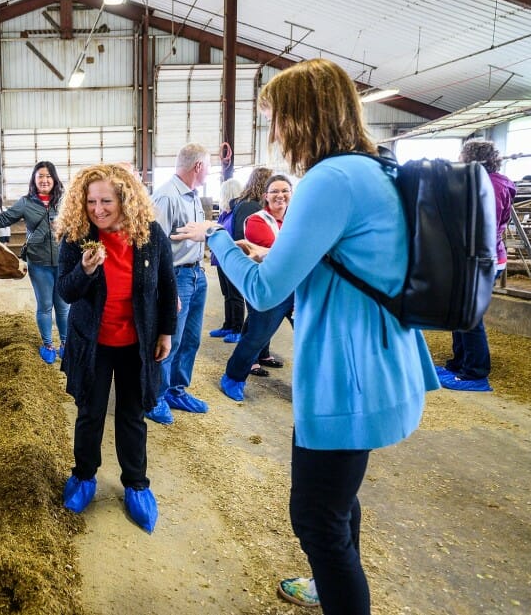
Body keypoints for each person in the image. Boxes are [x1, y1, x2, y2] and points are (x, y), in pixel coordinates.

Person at [172, 58, 439, 614]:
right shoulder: (375, 169)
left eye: (276, 119)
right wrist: (268, 250)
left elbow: (266, 293)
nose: (274, 133)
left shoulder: (329, 179)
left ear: (303, 116)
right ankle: (329, 581)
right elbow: (347, 260)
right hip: (381, 357)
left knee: (316, 519)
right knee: (336, 506)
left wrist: (219, 237)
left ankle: (338, 591)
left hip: (349, 377)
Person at [55, 164, 176, 534]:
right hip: (94, 342)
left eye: (106, 200)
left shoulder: (151, 235)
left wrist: (166, 333)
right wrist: (86, 270)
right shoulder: (78, 237)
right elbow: (66, 291)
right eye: (91, 201)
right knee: (89, 413)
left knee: (132, 414)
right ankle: (84, 476)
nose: (98, 208)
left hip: (136, 342)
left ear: (125, 198)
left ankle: (136, 484)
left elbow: (167, 287)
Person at [436, 140, 517, 392]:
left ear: (472, 158)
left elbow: (484, 228)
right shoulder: (482, 183)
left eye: (462, 156)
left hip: (480, 260)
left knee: (469, 316)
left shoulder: (489, 186)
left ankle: (475, 373)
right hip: (477, 258)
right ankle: (459, 364)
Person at [0, 161, 69, 364]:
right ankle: (48, 344)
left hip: (64, 260)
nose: (44, 180)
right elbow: (5, 218)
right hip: (38, 262)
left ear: (55, 179)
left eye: (48, 176)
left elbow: (80, 221)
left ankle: (66, 344)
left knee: (63, 306)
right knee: (45, 305)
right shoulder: (26, 203)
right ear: (34, 179)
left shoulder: (66, 201)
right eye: (40, 176)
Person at [145, 143, 213, 424]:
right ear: (198, 166)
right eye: (208, 166)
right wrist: (165, 288)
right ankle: (155, 397)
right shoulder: (166, 197)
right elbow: (152, 247)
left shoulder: (193, 196)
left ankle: (176, 389)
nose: (209, 171)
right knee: (168, 338)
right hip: (176, 276)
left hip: (196, 273)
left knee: (191, 338)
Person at [219, 174, 295, 401]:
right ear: (266, 196)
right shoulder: (257, 220)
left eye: (285, 190)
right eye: (275, 191)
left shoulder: (297, 219)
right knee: (256, 337)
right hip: (269, 290)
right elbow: (277, 253)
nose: (280, 195)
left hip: (298, 289)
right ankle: (233, 377)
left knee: (308, 337)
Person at [207, 178, 245, 339]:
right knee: (227, 294)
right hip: (221, 259)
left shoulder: (237, 212)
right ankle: (228, 325)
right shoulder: (225, 214)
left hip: (232, 259)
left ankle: (237, 329)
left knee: (235, 295)